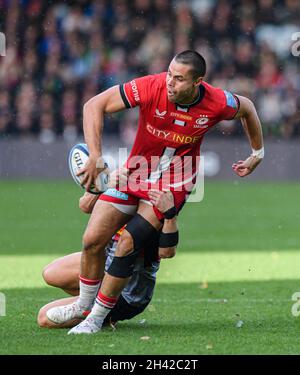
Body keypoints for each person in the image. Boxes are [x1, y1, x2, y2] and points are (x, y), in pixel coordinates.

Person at [48, 50, 264, 334]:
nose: (169, 83)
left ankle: (95, 319)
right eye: (169, 74)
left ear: (198, 81)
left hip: (171, 185)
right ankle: (84, 305)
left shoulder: (217, 102)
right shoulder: (151, 86)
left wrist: (257, 152)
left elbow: (247, 107)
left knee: (126, 243)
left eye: (178, 78)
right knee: (92, 239)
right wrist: (96, 157)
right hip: (134, 174)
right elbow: (93, 105)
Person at [42, 190, 177, 329]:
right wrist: (102, 183)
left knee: (44, 318)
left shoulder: (155, 200)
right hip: (106, 264)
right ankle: (91, 302)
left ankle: (104, 313)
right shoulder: (122, 184)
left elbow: (168, 252)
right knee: (50, 273)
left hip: (129, 290)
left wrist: (170, 215)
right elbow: (85, 205)